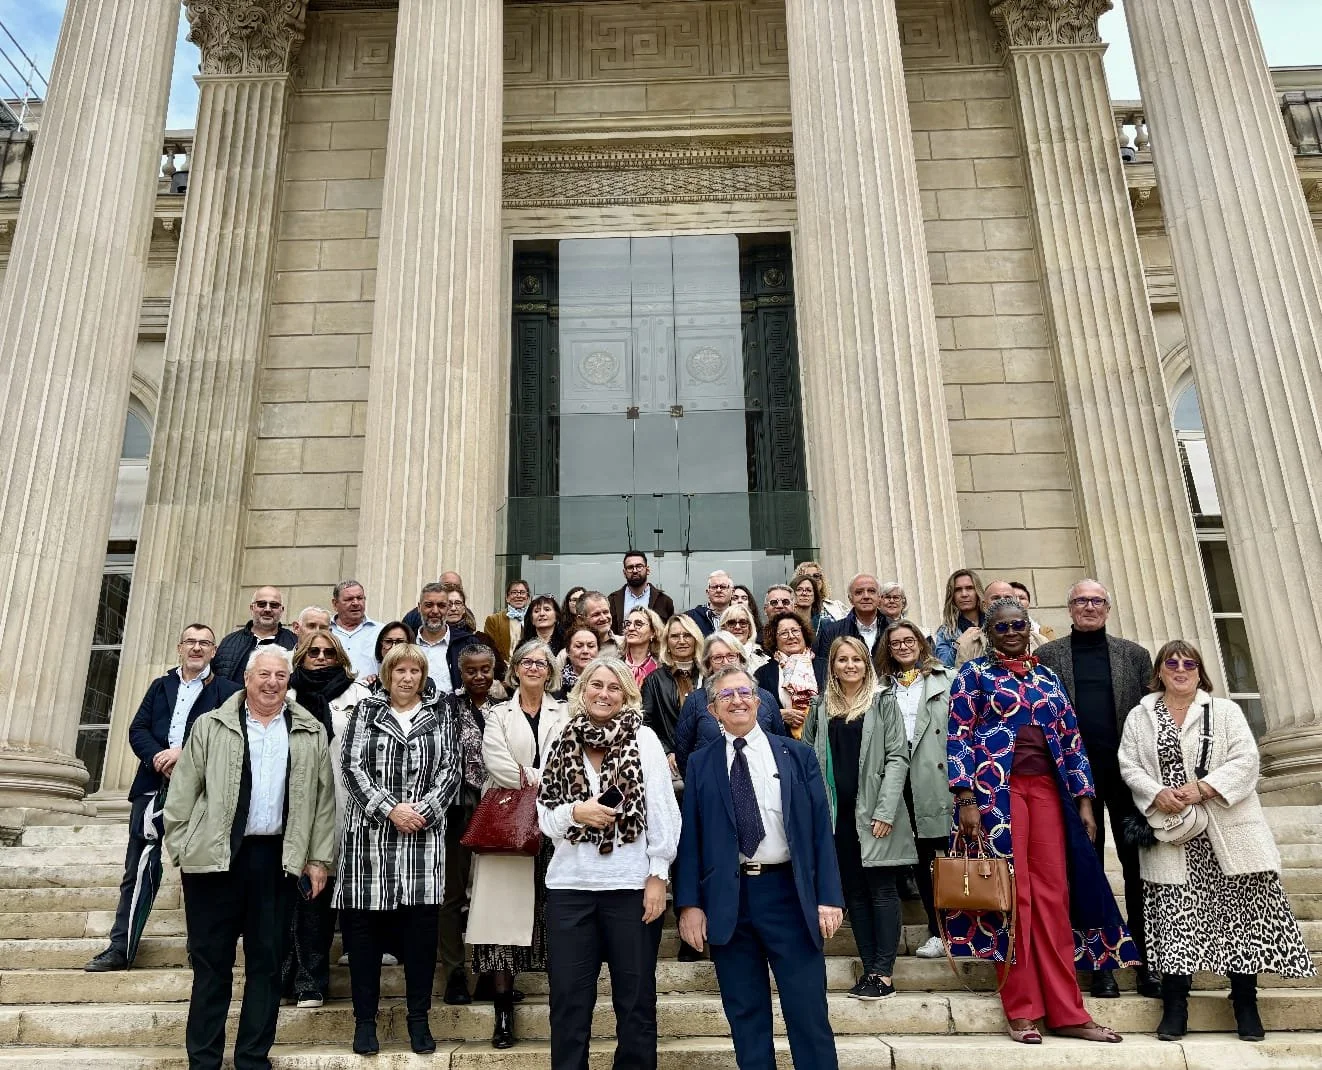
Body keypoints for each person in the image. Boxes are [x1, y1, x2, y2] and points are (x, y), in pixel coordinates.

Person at [946, 596, 1133, 1045]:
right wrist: (965, 796)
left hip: (1049, 792)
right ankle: (1023, 1009)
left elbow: (1071, 740)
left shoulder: (1047, 677)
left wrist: (1086, 801)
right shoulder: (973, 676)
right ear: (988, 633)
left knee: (1055, 895)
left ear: (1028, 627)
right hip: (996, 794)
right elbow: (958, 737)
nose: (1011, 632)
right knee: (1015, 896)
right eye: (1001, 626)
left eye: (1018, 624)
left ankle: (1069, 1012)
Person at [1119, 640, 1315, 1043]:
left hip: (1228, 831)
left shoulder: (1224, 711)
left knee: (1241, 922)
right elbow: (1129, 764)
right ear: (1159, 671)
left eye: (1188, 663)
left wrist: (1204, 788)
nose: (1180, 669)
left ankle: (1245, 1002)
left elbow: (1246, 760)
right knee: (1176, 923)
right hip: (1175, 835)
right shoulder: (1141, 716)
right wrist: (1156, 793)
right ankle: (1175, 1005)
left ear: (1199, 670)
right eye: (1171, 663)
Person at [163, 648, 336, 1070]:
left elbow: (322, 802)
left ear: (288, 680)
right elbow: (183, 792)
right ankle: (203, 1060)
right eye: (264, 674)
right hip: (214, 860)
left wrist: (317, 859)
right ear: (247, 677)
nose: (272, 682)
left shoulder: (309, 730)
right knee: (211, 965)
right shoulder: (210, 725)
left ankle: (252, 1059)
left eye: (280, 674)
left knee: (267, 964)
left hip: (275, 860)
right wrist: (182, 847)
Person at [675, 666, 844, 1070]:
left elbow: (820, 829)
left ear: (758, 699)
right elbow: (691, 839)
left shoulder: (796, 754)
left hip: (789, 895)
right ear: (713, 709)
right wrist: (689, 904)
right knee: (745, 1016)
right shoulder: (700, 763)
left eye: (744, 692)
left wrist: (829, 897)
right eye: (726, 695)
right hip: (730, 902)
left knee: (808, 1013)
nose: (737, 700)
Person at [538, 657, 681, 1070]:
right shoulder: (559, 737)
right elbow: (546, 816)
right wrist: (575, 813)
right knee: (568, 1001)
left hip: (629, 888)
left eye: (614, 687)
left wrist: (657, 875)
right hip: (570, 888)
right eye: (596, 685)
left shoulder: (645, 740)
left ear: (627, 694)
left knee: (636, 1002)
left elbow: (664, 813)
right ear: (582, 690)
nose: (604, 693)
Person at [84, 624, 241, 973]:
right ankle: (120, 948)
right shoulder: (160, 686)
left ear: (214, 651)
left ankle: (200, 949)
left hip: (201, 791)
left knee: (202, 870)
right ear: (179, 647)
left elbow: (230, 739)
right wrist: (158, 756)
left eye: (204, 643)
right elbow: (137, 729)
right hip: (154, 785)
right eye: (191, 642)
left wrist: (183, 755)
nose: (197, 648)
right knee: (138, 868)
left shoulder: (230, 692)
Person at [335, 643, 460, 1056]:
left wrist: (420, 811)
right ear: (387, 674)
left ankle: (418, 1021)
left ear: (424, 677)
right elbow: (352, 768)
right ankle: (364, 1022)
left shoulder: (439, 715)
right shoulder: (365, 712)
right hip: (370, 840)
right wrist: (391, 810)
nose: (407, 677)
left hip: (422, 839)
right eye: (399, 670)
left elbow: (451, 770)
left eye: (415, 671)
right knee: (365, 938)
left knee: (421, 937)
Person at [1037, 579, 1157, 998]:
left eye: (1097, 601)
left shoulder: (1135, 655)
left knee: (1139, 871)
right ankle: (1100, 963)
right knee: (1085, 874)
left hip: (1127, 779)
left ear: (1107, 607)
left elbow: (1151, 718)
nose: (1089, 607)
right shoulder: (1046, 657)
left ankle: (1148, 962)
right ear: (1069, 608)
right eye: (1081, 601)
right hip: (1073, 782)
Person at [468, 639, 569, 1049]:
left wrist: (538, 775)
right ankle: (503, 1010)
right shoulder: (496, 714)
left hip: (556, 823)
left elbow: (569, 757)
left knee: (555, 911)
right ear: (515, 669)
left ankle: (562, 1002)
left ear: (550, 671)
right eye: (526, 661)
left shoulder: (566, 711)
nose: (533, 667)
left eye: (541, 662)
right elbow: (495, 762)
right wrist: (541, 777)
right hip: (508, 822)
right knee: (502, 920)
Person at [803, 637, 914, 1001]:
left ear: (866, 663)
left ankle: (883, 972)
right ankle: (870, 969)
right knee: (854, 894)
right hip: (837, 818)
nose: (850, 665)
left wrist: (885, 810)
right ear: (832, 666)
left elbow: (898, 757)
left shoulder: (883, 702)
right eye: (842, 660)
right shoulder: (820, 707)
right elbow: (808, 759)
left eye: (856, 659)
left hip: (876, 816)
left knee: (881, 891)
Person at [281, 630, 360, 1008]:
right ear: (301, 656)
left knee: (320, 894)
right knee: (295, 895)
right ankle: (287, 977)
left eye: (329, 652)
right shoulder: (286, 695)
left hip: (342, 804)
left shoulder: (355, 694)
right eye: (313, 651)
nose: (321, 657)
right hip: (292, 806)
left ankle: (312, 979)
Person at [874, 620, 954, 960]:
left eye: (909, 640)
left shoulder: (946, 679)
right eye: (896, 643)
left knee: (951, 854)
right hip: (902, 778)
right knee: (922, 859)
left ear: (921, 644)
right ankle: (938, 930)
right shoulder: (882, 689)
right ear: (888, 650)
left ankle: (966, 927)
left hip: (940, 777)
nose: (904, 647)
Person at [441, 645, 496, 1006]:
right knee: (453, 895)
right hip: (457, 809)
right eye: (471, 671)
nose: (479, 676)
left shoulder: (506, 708)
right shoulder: (446, 708)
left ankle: (492, 972)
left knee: (492, 894)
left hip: (496, 808)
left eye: (485, 669)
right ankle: (455, 973)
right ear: (461, 673)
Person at [672, 631, 789, 777]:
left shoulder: (765, 697)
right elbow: (683, 753)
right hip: (712, 783)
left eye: (731, 656)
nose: (726, 663)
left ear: (741, 659)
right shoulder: (695, 701)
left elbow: (781, 745)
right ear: (708, 664)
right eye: (718, 658)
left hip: (763, 781)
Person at [640, 613, 706, 773]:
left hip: (707, 757)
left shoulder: (709, 675)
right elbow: (646, 722)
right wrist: (667, 752)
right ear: (667, 642)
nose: (682, 641)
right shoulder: (654, 680)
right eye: (675, 636)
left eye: (687, 635)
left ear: (696, 639)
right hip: (670, 763)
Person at [755, 611, 825, 740]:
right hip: (783, 744)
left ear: (804, 634)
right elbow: (756, 711)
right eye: (784, 633)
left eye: (795, 631)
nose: (791, 636)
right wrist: (779, 715)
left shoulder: (825, 667)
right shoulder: (763, 674)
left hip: (823, 741)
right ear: (775, 640)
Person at [211, 587, 297, 683]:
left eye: (274, 605)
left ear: (282, 610)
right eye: (261, 604)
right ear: (252, 608)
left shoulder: (295, 644)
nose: (268, 609)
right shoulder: (229, 642)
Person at [954, 579, 1047, 666]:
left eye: (1008, 597)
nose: (1003, 602)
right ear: (984, 606)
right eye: (996, 598)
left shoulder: (1040, 641)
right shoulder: (968, 645)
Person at [814, 574, 885, 658]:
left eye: (871, 591)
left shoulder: (893, 628)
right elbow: (824, 667)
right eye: (859, 592)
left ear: (879, 597)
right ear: (850, 599)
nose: (866, 596)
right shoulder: (830, 632)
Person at [608, 550, 676, 632]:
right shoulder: (612, 600)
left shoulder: (664, 601)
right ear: (624, 573)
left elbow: (669, 632)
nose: (635, 571)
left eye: (639, 566)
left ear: (647, 570)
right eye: (630, 567)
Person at [330, 579, 383, 677]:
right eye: (349, 599)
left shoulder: (381, 631)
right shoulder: (325, 631)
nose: (356, 603)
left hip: (370, 691)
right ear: (335, 603)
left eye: (359, 598)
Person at [931, 569, 983, 668]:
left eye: (969, 588)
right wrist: (958, 644)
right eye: (958, 589)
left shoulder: (993, 625)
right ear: (952, 595)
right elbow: (945, 668)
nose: (964, 594)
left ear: (977, 591)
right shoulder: (945, 633)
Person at [483, 578, 532, 663]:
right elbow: (489, 650)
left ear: (528, 598)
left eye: (522, 592)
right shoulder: (494, 620)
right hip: (504, 671)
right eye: (514, 592)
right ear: (507, 598)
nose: (518, 595)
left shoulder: (534, 619)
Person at [718, 603, 766, 673]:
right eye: (731, 623)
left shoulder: (762, 658)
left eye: (743, 623)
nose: (737, 627)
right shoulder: (714, 655)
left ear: (750, 629)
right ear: (723, 628)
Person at [621, 605, 663, 685]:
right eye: (628, 624)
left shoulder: (661, 667)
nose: (631, 628)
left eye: (638, 624)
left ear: (653, 632)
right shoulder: (615, 664)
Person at [685, 570, 735, 637]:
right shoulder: (690, 617)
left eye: (723, 587)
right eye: (714, 587)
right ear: (707, 592)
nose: (718, 590)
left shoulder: (741, 617)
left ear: (732, 592)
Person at [556, 625, 600, 700]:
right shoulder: (556, 683)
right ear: (568, 651)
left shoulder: (607, 680)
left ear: (598, 651)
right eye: (579, 646)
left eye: (591, 646)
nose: (585, 651)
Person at [576, 590, 622, 657]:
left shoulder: (625, 645)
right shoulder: (569, 655)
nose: (603, 618)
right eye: (596, 614)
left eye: (606, 612)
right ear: (581, 620)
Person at [790, 571, 828, 635]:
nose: (804, 593)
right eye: (799, 589)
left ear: (814, 597)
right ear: (791, 594)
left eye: (809, 590)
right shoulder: (784, 622)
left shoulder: (824, 624)